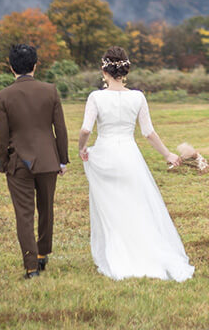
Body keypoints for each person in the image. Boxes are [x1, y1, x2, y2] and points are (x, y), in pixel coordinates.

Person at [79, 46, 194, 281]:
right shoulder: (137, 97)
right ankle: (141, 250)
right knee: (134, 204)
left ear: (104, 70)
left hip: (104, 155)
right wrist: (167, 154)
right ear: (125, 70)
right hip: (129, 155)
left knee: (110, 207)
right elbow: (148, 133)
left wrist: (82, 147)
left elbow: (85, 129)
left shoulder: (96, 97)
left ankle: (119, 253)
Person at [0, 43, 69, 279]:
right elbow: (60, 128)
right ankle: (42, 253)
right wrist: (63, 160)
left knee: (24, 214)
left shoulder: (4, 96)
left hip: (19, 162)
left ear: (10, 66)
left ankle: (31, 267)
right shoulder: (51, 90)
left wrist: (2, 162)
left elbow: (2, 134)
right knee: (46, 209)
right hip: (49, 160)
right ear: (36, 65)